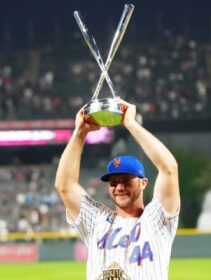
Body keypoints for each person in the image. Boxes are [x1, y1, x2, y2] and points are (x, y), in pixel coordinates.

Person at [55, 99, 180, 280]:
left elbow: (169, 168)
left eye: (126, 180)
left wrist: (130, 123)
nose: (119, 187)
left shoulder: (157, 218)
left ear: (143, 183)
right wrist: (80, 133)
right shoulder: (96, 221)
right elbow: (64, 186)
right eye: (113, 182)